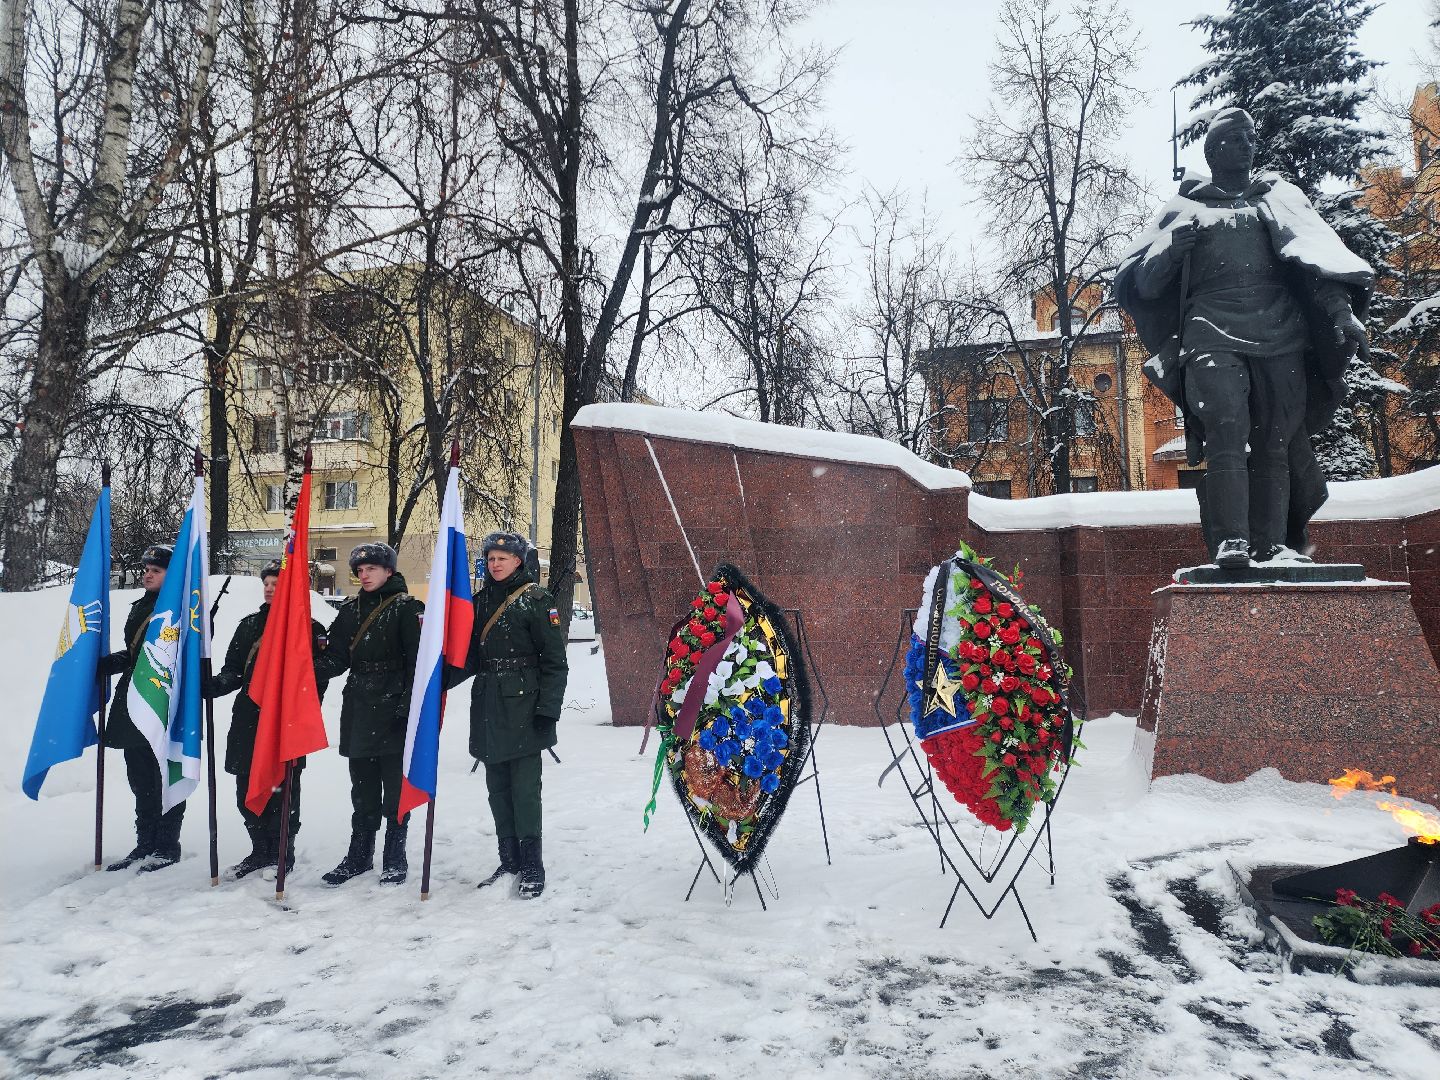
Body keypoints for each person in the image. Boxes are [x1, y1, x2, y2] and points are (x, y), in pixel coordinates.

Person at [1115, 107, 1374, 567]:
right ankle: (1232, 540)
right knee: (1227, 430)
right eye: (1237, 139)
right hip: (1209, 330)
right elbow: (1143, 286)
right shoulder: (1184, 209)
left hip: (1281, 331)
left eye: (1252, 138)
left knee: (1276, 438)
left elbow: (1315, 265)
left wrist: (1340, 313)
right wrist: (1171, 253)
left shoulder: (1277, 198)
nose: (1248, 146)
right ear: (1214, 150)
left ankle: (1273, 545)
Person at [446, 531, 568, 898]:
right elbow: (468, 658)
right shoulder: (479, 602)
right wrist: (434, 682)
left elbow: (555, 665)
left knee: (525, 790)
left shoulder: (536, 601)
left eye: (503, 558)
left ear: (518, 561)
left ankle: (532, 864)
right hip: (488, 706)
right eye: (491, 558)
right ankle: (509, 858)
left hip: (525, 708)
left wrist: (548, 711)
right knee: (497, 788)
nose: (495, 564)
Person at [207, 561, 331, 879]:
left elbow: (317, 679)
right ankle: (259, 848)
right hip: (248, 717)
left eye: (277, 583)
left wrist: (297, 709)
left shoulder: (310, 628)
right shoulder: (249, 626)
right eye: (267, 583)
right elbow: (233, 669)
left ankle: (281, 851)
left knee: (283, 788)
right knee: (245, 785)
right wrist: (213, 686)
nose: (269, 588)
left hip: (285, 721)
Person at [313, 543, 424, 886]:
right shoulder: (350, 610)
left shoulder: (408, 609)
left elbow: (416, 664)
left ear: (389, 571)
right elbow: (336, 660)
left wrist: (407, 707)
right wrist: (303, 670)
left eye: (371, 569)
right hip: (359, 707)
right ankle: (358, 856)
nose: (364, 575)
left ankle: (395, 856)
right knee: (361, 790)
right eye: (360, 570)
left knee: (394, 789)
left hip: (393, 708)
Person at [100, 545, 186, 871]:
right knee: (140, 778)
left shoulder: (181, 610)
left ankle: (166, 846)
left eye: (156, 570)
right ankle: (145, 842)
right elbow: (136, 654)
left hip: (162, 700)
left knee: (162, 776)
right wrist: (112, 663)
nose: (147, 574)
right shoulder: (141, 607)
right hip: (133, 701)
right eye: (146, 569)